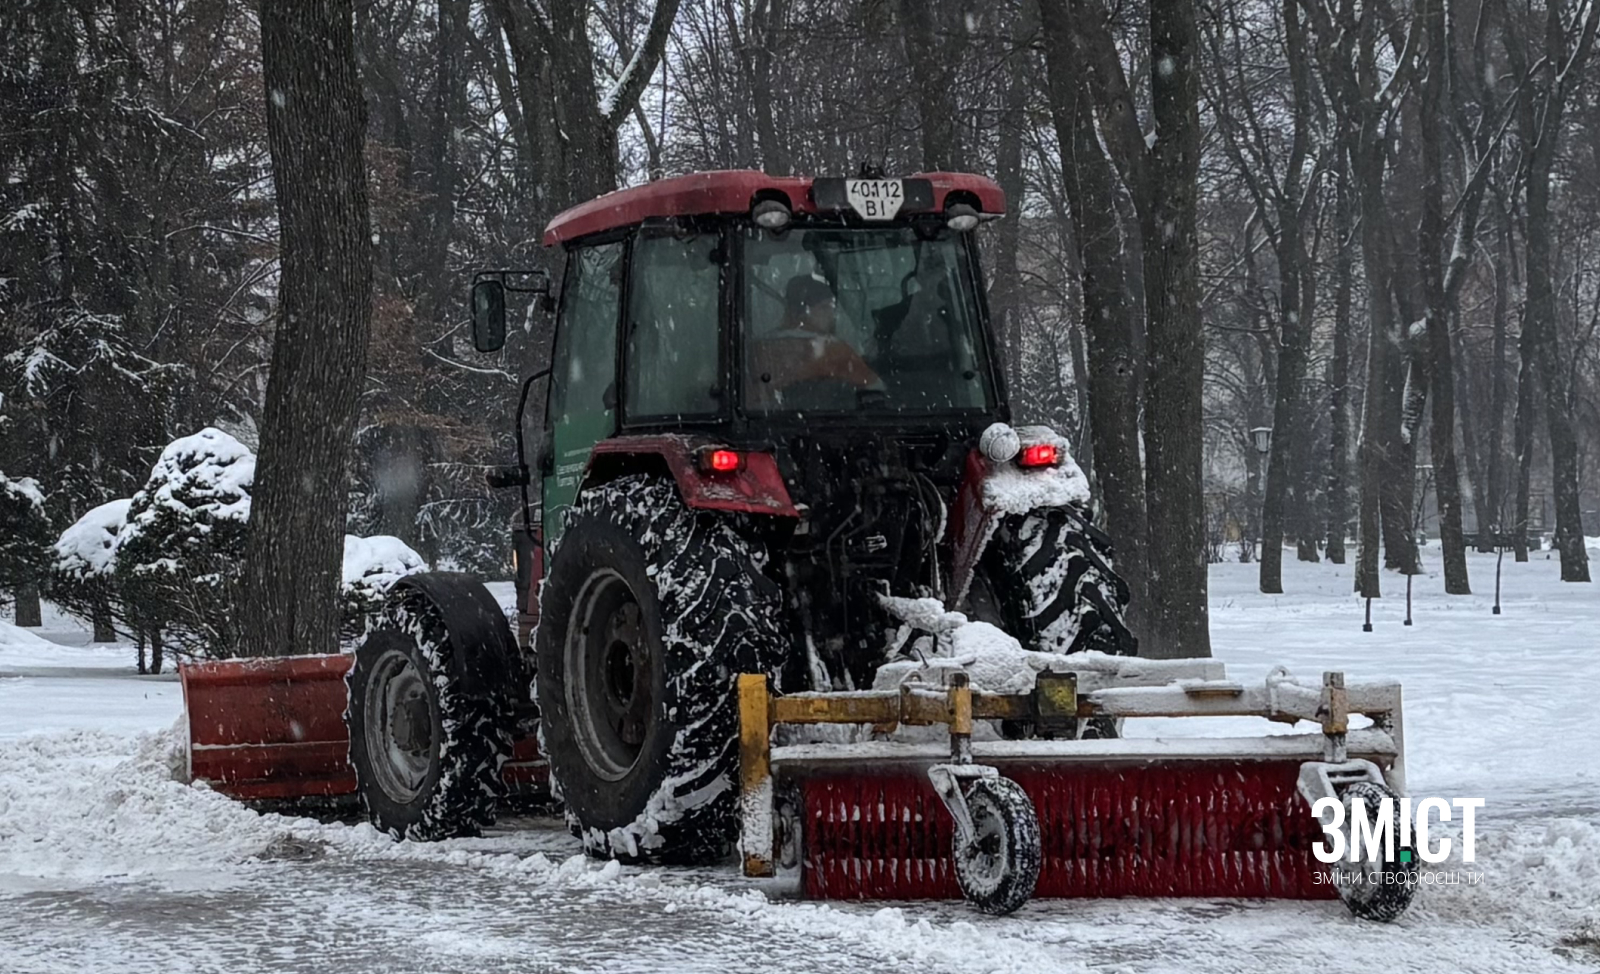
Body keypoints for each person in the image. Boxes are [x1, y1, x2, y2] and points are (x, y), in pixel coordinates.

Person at [748, 275, 882, 409]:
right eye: (824, 307)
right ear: (802, 311)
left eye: (832, 307)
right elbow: (875, 387)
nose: (831, 314)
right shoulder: (833, 349)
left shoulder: (758, 347)